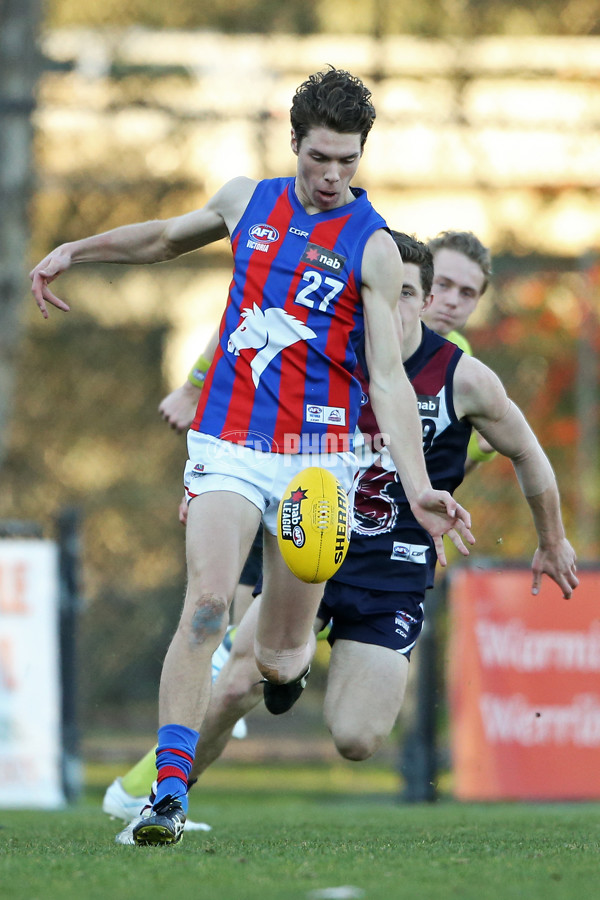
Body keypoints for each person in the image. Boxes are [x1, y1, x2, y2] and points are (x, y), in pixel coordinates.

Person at [30, 68, 474, 845]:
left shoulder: (371, 247)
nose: (333, 175)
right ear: (294, 143)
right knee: (205, 607)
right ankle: (167, 796)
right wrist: (75, 248)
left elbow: (387, 378)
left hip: (319, 462)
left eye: (348, 160)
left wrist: (416, 484)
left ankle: (289, 663)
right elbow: (166, 238)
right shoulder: (247, 201)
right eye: (320, 157)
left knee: (274, 658)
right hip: (232, 444)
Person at [109, 231, 577, 844]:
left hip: (393, 571)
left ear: (424, 298)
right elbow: (244, 405)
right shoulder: (323, 358)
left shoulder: (462, 376)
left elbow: (530, 453)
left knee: (357, 738)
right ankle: (160, 805)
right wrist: (208, 486)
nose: (393, 305)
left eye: (410, 294)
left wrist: (552, 538)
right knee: (235, 685)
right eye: (381, 292)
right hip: (306, 549)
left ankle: (293, 669)